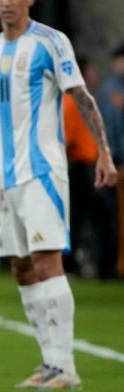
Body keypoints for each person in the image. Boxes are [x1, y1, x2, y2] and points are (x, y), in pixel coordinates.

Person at [0, 0, 118, 390]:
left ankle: (66, 366)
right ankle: (49, 362)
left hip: (42, 172)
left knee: (46, 260)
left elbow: (82, 97)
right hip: (5, 176)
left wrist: (103, 152)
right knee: (20, 266)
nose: (5, 3)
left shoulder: (51, 42)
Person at [62, 57, 100, 276]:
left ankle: (74, 259)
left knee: (78, 217)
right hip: (81, 166)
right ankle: (72, 261)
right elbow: (66, 139)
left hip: (84, 166)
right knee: (79, 218)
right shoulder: (75, 101)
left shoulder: (74, 100)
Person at [96, 44, 124, 279]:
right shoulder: (109, 92)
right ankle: (112, 265)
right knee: (114, 219)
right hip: (115, 163)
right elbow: (105, 128)